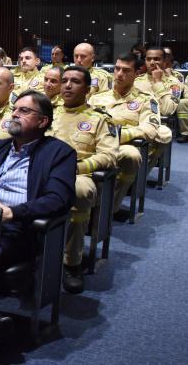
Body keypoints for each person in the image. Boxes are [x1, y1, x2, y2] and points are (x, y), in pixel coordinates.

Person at [0, 90, 76, 350]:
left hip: (19, 229)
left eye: (23, 111)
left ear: (42, 121)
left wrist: (12, 213)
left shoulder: (59, 153)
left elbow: (58, 200)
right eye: (14, 109)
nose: (14, 115)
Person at [49, 66, 118, 294]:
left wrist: (75, 168)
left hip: (80, 176)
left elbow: (109, 156)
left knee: (79, 192)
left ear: (87, 89)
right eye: (65, 80)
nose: (68, 85)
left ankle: (72, 263)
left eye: (75, 81)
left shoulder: (100, 119)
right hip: (43, 171)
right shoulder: (46, 112)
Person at [89, 53, 160, 212]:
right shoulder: (97, 98)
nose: (120, 74)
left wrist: (119, 136)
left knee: (132, 155)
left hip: (122, 146)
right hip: (94, 144)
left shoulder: (146, 100)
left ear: (136, 74)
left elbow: (151, 129)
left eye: (126, 70)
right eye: (117, 69)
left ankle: (108, 209)